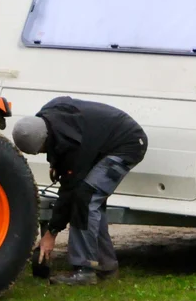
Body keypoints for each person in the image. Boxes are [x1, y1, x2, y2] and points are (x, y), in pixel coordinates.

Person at [12, 97, 147, 286]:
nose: (43, 153)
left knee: (85, 197)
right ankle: (106, 266)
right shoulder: (48, 117)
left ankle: (85, 270)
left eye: (43, 150)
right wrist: (56, 163)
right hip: (103, 141)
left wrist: (51, 233)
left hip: (128, 144)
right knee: (91, 201)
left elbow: (69, 191)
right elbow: (60, 139)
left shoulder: (74, 147)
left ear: (45, 139)